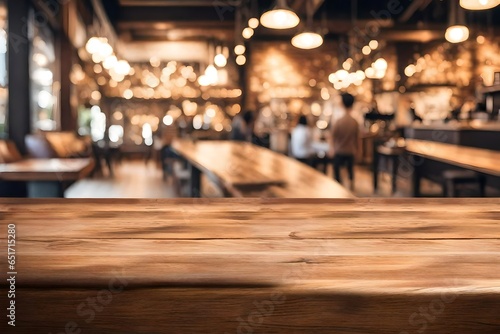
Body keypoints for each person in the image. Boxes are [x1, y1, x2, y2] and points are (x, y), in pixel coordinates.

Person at [330, 93, 360, 189]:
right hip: (350, 151)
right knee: (350, 169)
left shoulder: (338, 121)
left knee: (337, 171)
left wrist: (332, 149)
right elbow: (357, 139)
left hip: (339, 151)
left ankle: (338, 187)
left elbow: (332, 137)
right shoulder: (355, 122)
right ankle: (351, 187)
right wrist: (359, 151)